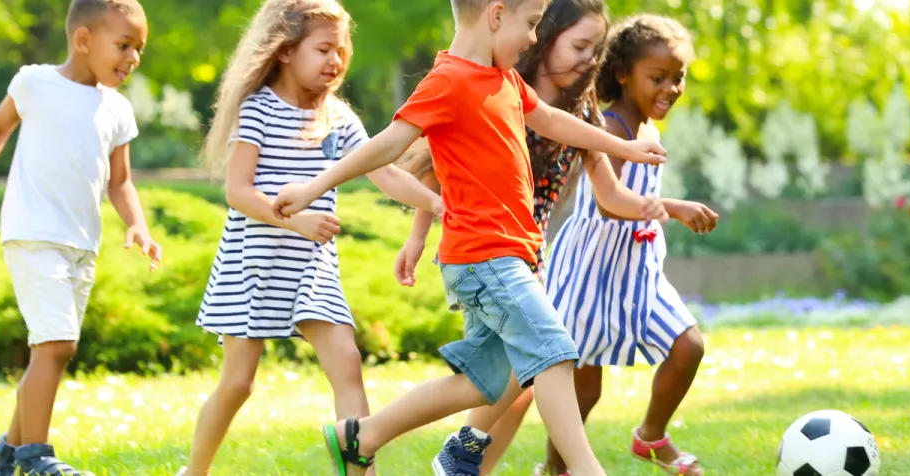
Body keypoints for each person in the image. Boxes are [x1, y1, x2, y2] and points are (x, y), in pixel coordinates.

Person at [270, 0, 673, 471]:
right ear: (497, 16)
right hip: (485, 257)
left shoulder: (504, 80)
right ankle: (587, 469)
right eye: (530, 24)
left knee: (484, 383)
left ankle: (361, 436)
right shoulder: (448, 81)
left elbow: (550, 120)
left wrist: (623, 146)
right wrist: (315, 186)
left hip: (505, 258)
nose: (531, 39)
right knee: (555, 353)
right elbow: (388, 144)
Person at [391, 3, 718, 475]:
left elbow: (610, 193)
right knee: (527, 372)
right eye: (579, 46)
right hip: (486, 249)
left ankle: (452, 456)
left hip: (528, 250)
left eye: (595, 50)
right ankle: (474, 457)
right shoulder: (494, 89)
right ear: (543, 37)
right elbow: (438, 169)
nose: (589, 59)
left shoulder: (578, 109)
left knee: (514, 380)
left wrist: (663, 205)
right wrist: (418, 236)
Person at [179, 1, 444, 475]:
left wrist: (439, 205)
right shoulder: (258, 109)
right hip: (255, 262)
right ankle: (193, 471)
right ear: (284, 50)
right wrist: (293, 220)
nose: (336, 61)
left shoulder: (337, 118)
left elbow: (384, 173)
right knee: (238, 384)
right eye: (323, 49)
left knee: (347, 363)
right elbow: (238, 192)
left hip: (311, 267)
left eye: (341, 50)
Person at [0, 1, 160, 475]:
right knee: (57, 347)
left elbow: (119, 181)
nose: (133, 58)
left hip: (81, 242)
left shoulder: (117, 109)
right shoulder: (35, 83)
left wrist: (137, 224)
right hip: (33, 234)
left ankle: (3, 457)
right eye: (124, 45)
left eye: (139, 49)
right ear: (83, 40)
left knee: (50, 349)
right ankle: (36, 459)